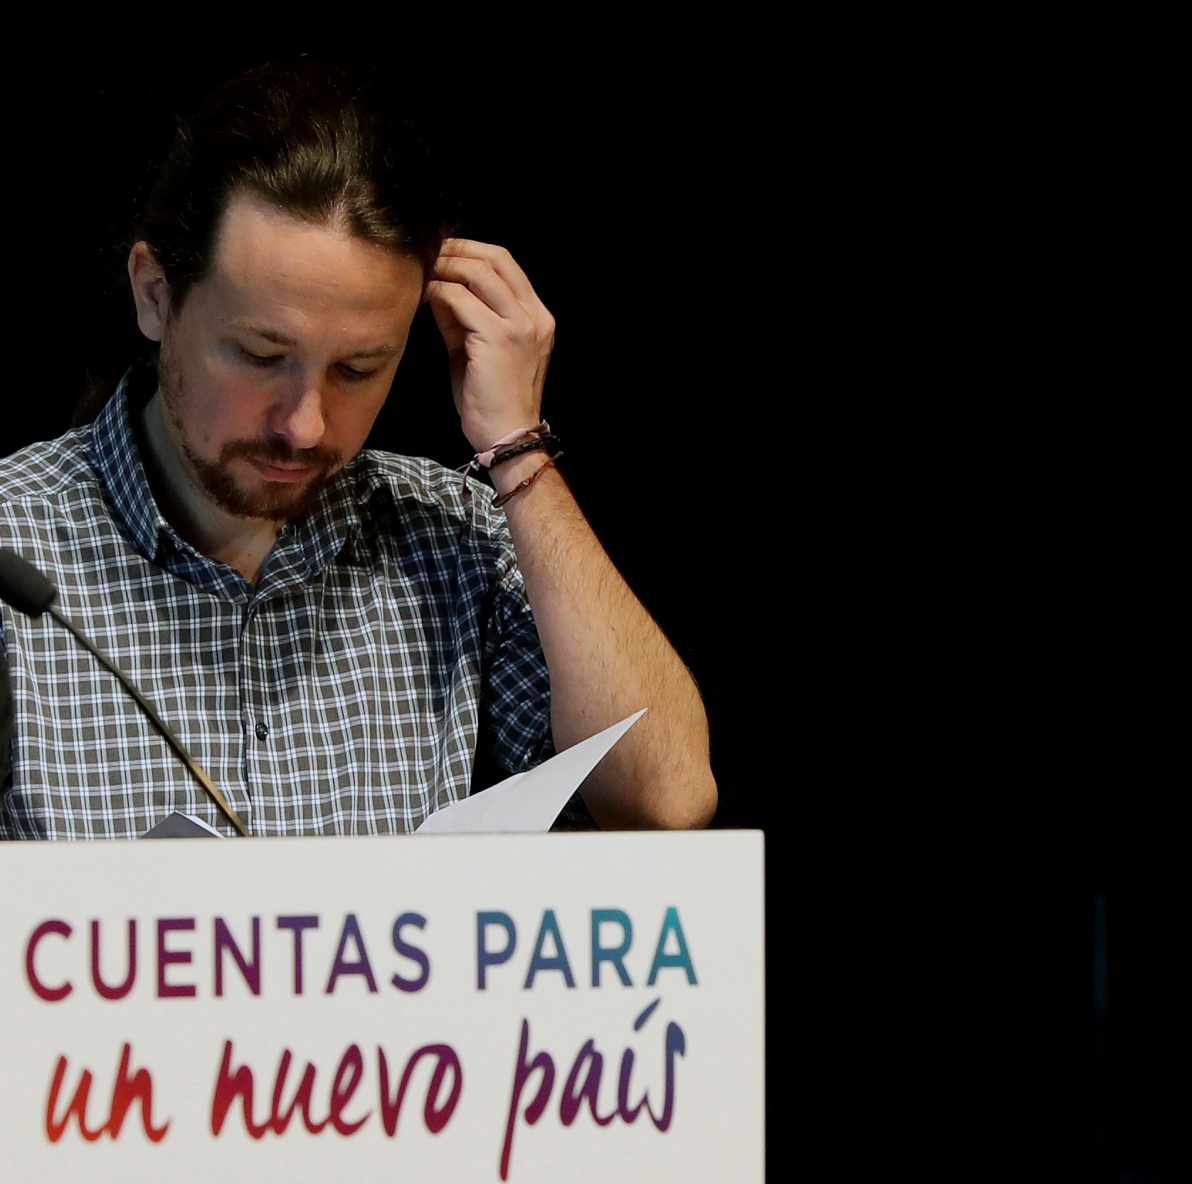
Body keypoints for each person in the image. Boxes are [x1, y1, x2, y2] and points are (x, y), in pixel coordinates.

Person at [0, 60, 716, 839]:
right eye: (261, 355)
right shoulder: (12, 545)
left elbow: (665, 802)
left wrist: (519, 452)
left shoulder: (454, 536)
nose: (305, 425)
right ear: (155, 293)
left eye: (358, 369)